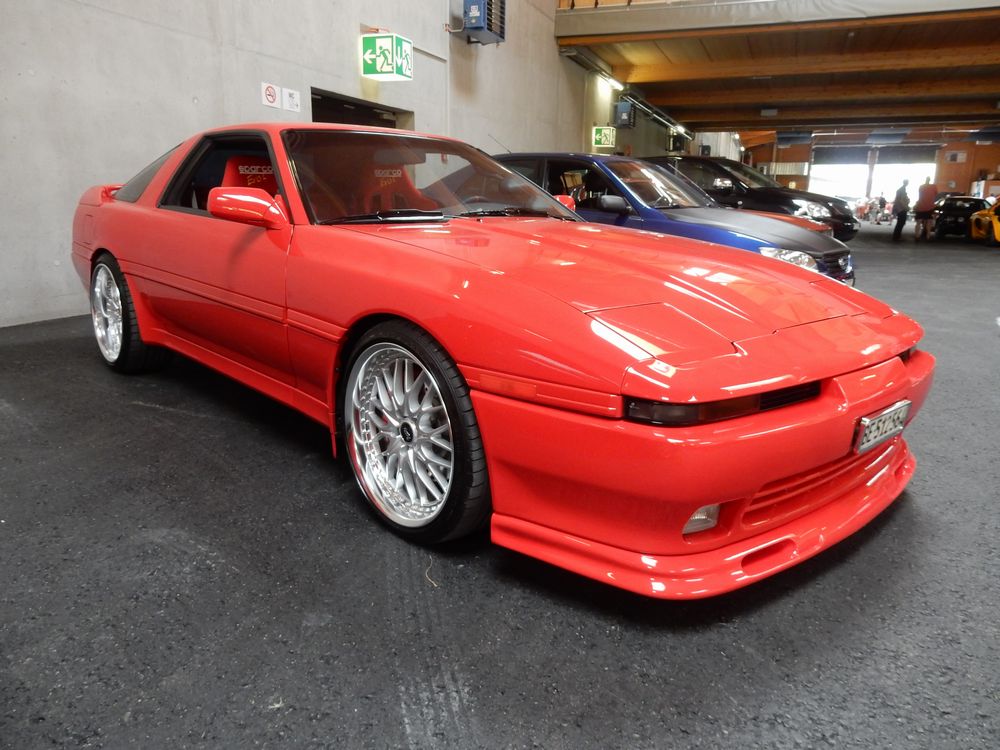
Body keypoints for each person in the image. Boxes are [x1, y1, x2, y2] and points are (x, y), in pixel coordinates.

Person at [913, 176, 938, 241]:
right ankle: (928, 236)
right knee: (929, 222)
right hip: (930, 206)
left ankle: (917, 236)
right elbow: (936, 194)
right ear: (929, 180)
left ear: (926, 180)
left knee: (918, 222)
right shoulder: (933, 186)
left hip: (920, 206)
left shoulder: (921, 186)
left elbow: (920, 194)